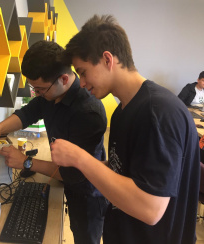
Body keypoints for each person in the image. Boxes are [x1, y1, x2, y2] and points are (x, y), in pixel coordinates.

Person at [50, 14, 200, 244]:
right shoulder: (122, 112)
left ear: (108, 59)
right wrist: (83, 164)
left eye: (83, 71)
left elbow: (150, 209)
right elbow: (126, 172)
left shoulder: (157, 113)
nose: (81, 82)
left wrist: (80, 158)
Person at [0, 40, 109, 244]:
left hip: (88, 194)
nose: (37, 94)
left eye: (40, 90)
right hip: (67, 179)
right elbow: (29, 112)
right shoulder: (52, 94)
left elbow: (75, 174)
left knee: (85, 236)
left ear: (64, 79)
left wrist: (26, 162)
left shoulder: (88, 113)